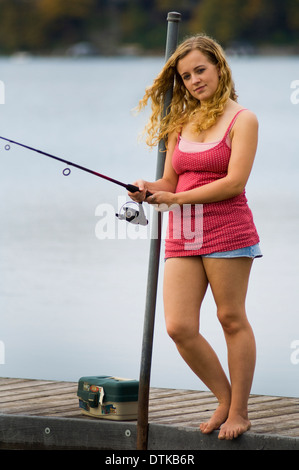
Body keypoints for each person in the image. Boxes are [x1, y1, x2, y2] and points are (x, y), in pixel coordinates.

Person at [129, 34, 262, 440]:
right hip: (184, 232)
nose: (194, 80)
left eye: (200, 70)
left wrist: (175, 196)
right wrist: (147, 188)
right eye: (186, 76)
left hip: (227, 228)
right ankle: (224, 396)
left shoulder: (244, 120)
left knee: (230, 317)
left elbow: (234, 183)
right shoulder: (181, 124)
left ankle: (239, 411)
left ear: (219, 67)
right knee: (179, 326)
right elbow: (170, 180)